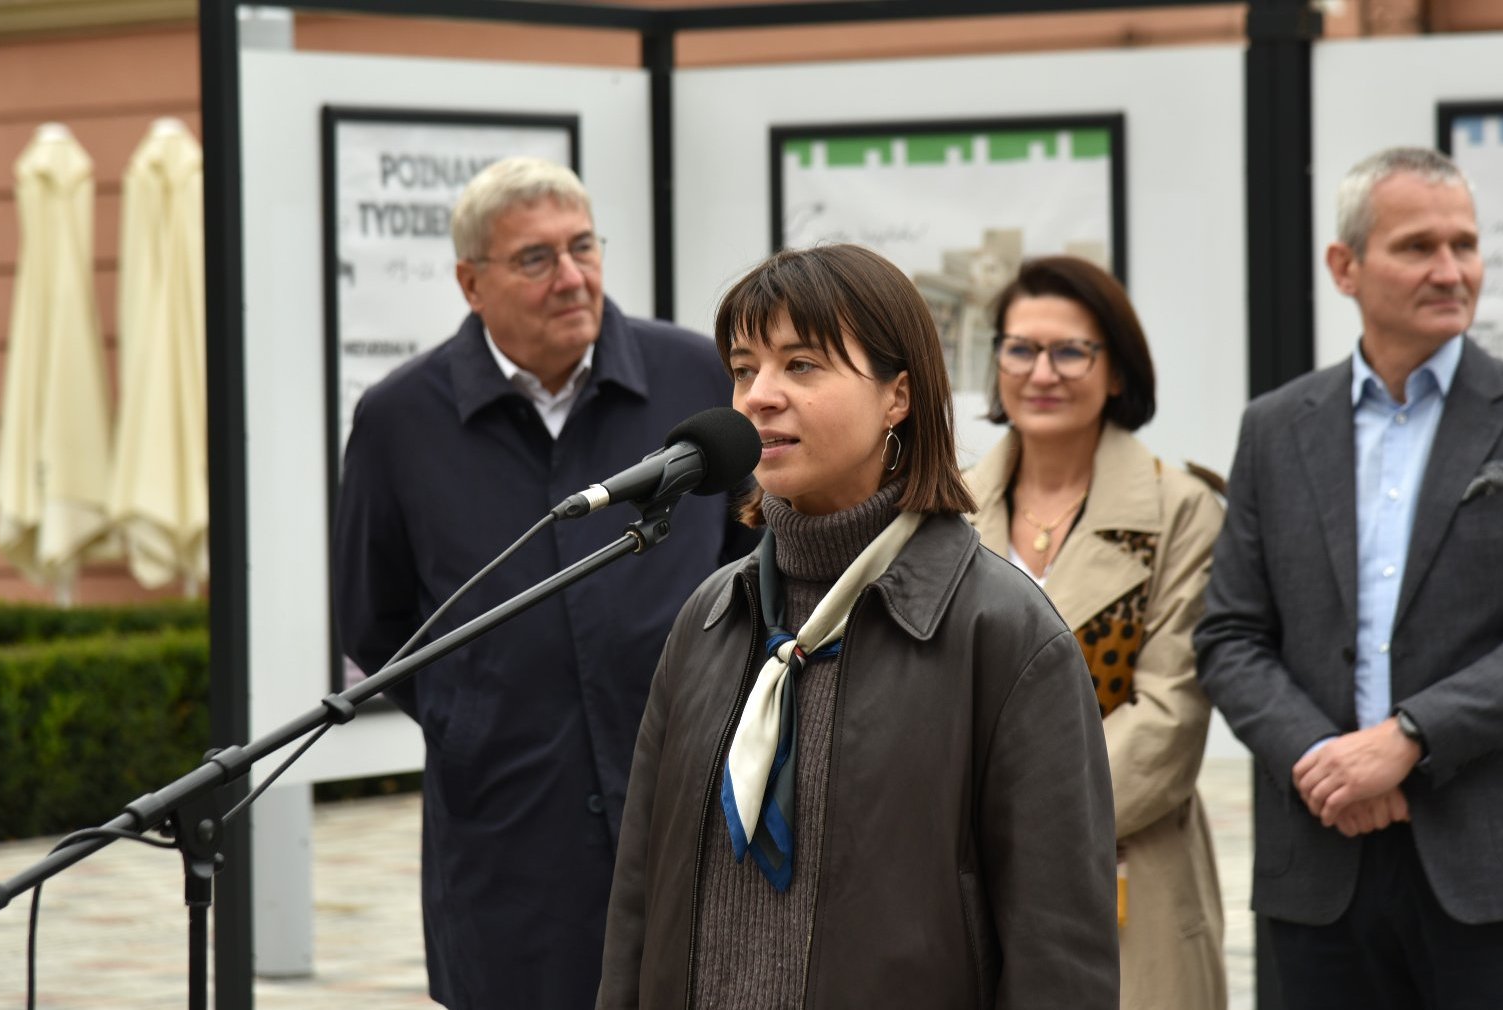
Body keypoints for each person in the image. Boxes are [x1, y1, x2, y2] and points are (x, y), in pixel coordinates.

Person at [597, 243, 1119, 1008]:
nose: (759, 397)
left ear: (898, 396)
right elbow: (638, 905)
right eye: (745, 368)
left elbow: (1060, 956)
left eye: (801, 365)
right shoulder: (710, 619)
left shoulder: (1003, 635)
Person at [1195, 146, 1503, 1009]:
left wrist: (1407, 739)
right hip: (1323, 868)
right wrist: (1322, 761)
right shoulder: (1276, 428)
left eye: (1465, 245)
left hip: (1500, 870)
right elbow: (1230, 634)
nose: (1452, 270)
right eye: (1418, 246)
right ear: (1344, 267)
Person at [334, 157, 755, 1010]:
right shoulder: (398, 420)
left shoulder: (697, 380)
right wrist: (475, 715)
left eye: (583, 248)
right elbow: (376, 625)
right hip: (509, 828)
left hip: (693, 808)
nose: (572, 277)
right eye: (536, 258)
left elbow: (745, 568)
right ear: (470, 282)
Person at [964, 255, 1227, 1009]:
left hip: (1123, 865)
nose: (1042, 372)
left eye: (1071, 350)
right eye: (1020, 348)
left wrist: (1011, 821)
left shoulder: (1183, 511)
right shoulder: (945, 509)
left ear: (1117, 371)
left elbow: (1168, 717)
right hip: (965, 872)